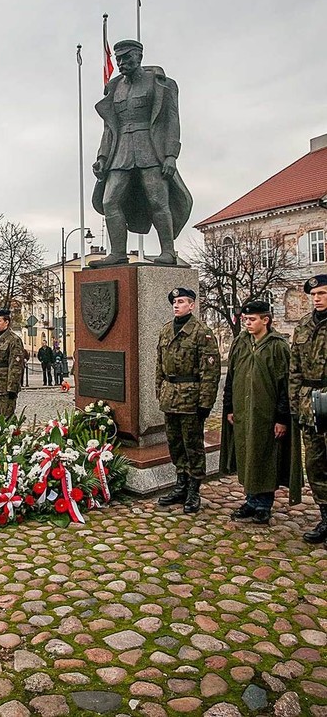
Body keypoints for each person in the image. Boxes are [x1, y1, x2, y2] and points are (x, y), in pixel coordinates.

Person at [92, 40, 192, 266]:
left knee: (158, 200)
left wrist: (171, 155)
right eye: (118, 59)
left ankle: (168, 251)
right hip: (120, 152)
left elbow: (171, 121)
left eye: (126, 58)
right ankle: (118, 252)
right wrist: (102, 157)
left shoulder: (160, 84)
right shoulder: (115, 87)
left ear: (139, 57)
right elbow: (109, 128)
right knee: (110, 201)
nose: (121, 63)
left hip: (151, 149)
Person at [221, 300, 302, 524]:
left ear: (265, 320)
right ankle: (250, 500)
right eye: (245, 319)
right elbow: (231, 377)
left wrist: (282, 418)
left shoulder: (278, 346)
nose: (247, 323)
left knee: (265, 457)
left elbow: (286, 384)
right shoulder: (241, 342)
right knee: (247, 454)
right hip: (243, 412)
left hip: (266, 414)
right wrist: (229, 407)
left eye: (252, 319)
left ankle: (264, 504)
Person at [156, 287, 221, 513]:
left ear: (192, 305)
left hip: (191, 399)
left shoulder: (202, 332)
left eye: (182, 301)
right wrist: (160, 391)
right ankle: (180, 485)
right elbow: (159, 366)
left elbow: (210, 373)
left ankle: (194, 489)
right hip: (170, 396)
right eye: (174, 301)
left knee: (192, 446)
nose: (177, 305)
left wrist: (205, 403)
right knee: (174, 444)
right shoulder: (166, 331)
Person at [289, 274, 327, 543]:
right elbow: (294, 370)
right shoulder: (302, 327)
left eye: (322, 293)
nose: (317, 298)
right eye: (314, 295)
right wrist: (294, 404)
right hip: (309, 404)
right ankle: (325, 516)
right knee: (315, 464)